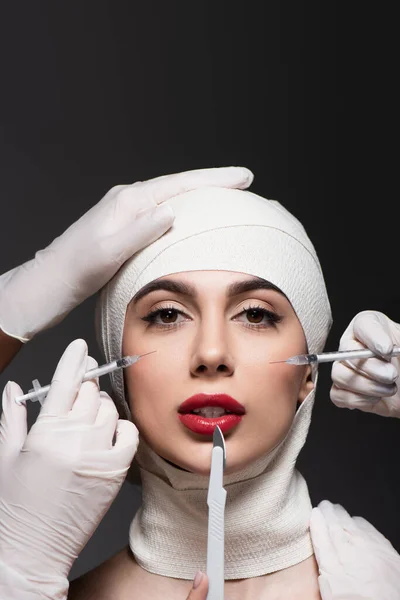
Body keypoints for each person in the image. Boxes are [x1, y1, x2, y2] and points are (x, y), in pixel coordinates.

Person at [1, 176, 399, 599]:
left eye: (256, 315)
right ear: (118, 373)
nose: (211, 352)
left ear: (308, 373)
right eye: (168, 316)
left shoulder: (376, 581)